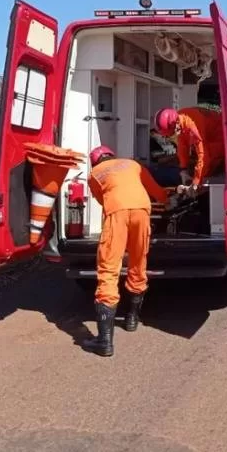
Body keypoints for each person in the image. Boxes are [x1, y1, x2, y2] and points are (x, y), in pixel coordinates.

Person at [81, 146, 172, 357]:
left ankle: (104, 341)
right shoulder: (133, 164)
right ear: (112, 155)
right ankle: (132, 319)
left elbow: (102, 200)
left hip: (117, 213)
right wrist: (167, 202)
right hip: (141, 211)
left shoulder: (94, 174)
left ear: (96, 162)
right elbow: (155, 189)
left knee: (108, 269)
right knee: (138, 263)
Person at [152, 107, 225, 193]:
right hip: (211, 135)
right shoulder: (179, 119)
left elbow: (204, 156)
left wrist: (196, 182)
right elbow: (182, 146)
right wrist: (183, 169)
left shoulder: (193, 125)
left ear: (175, 127)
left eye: (171, 134)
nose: (171, 136)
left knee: (207, 161)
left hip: (222, 136)